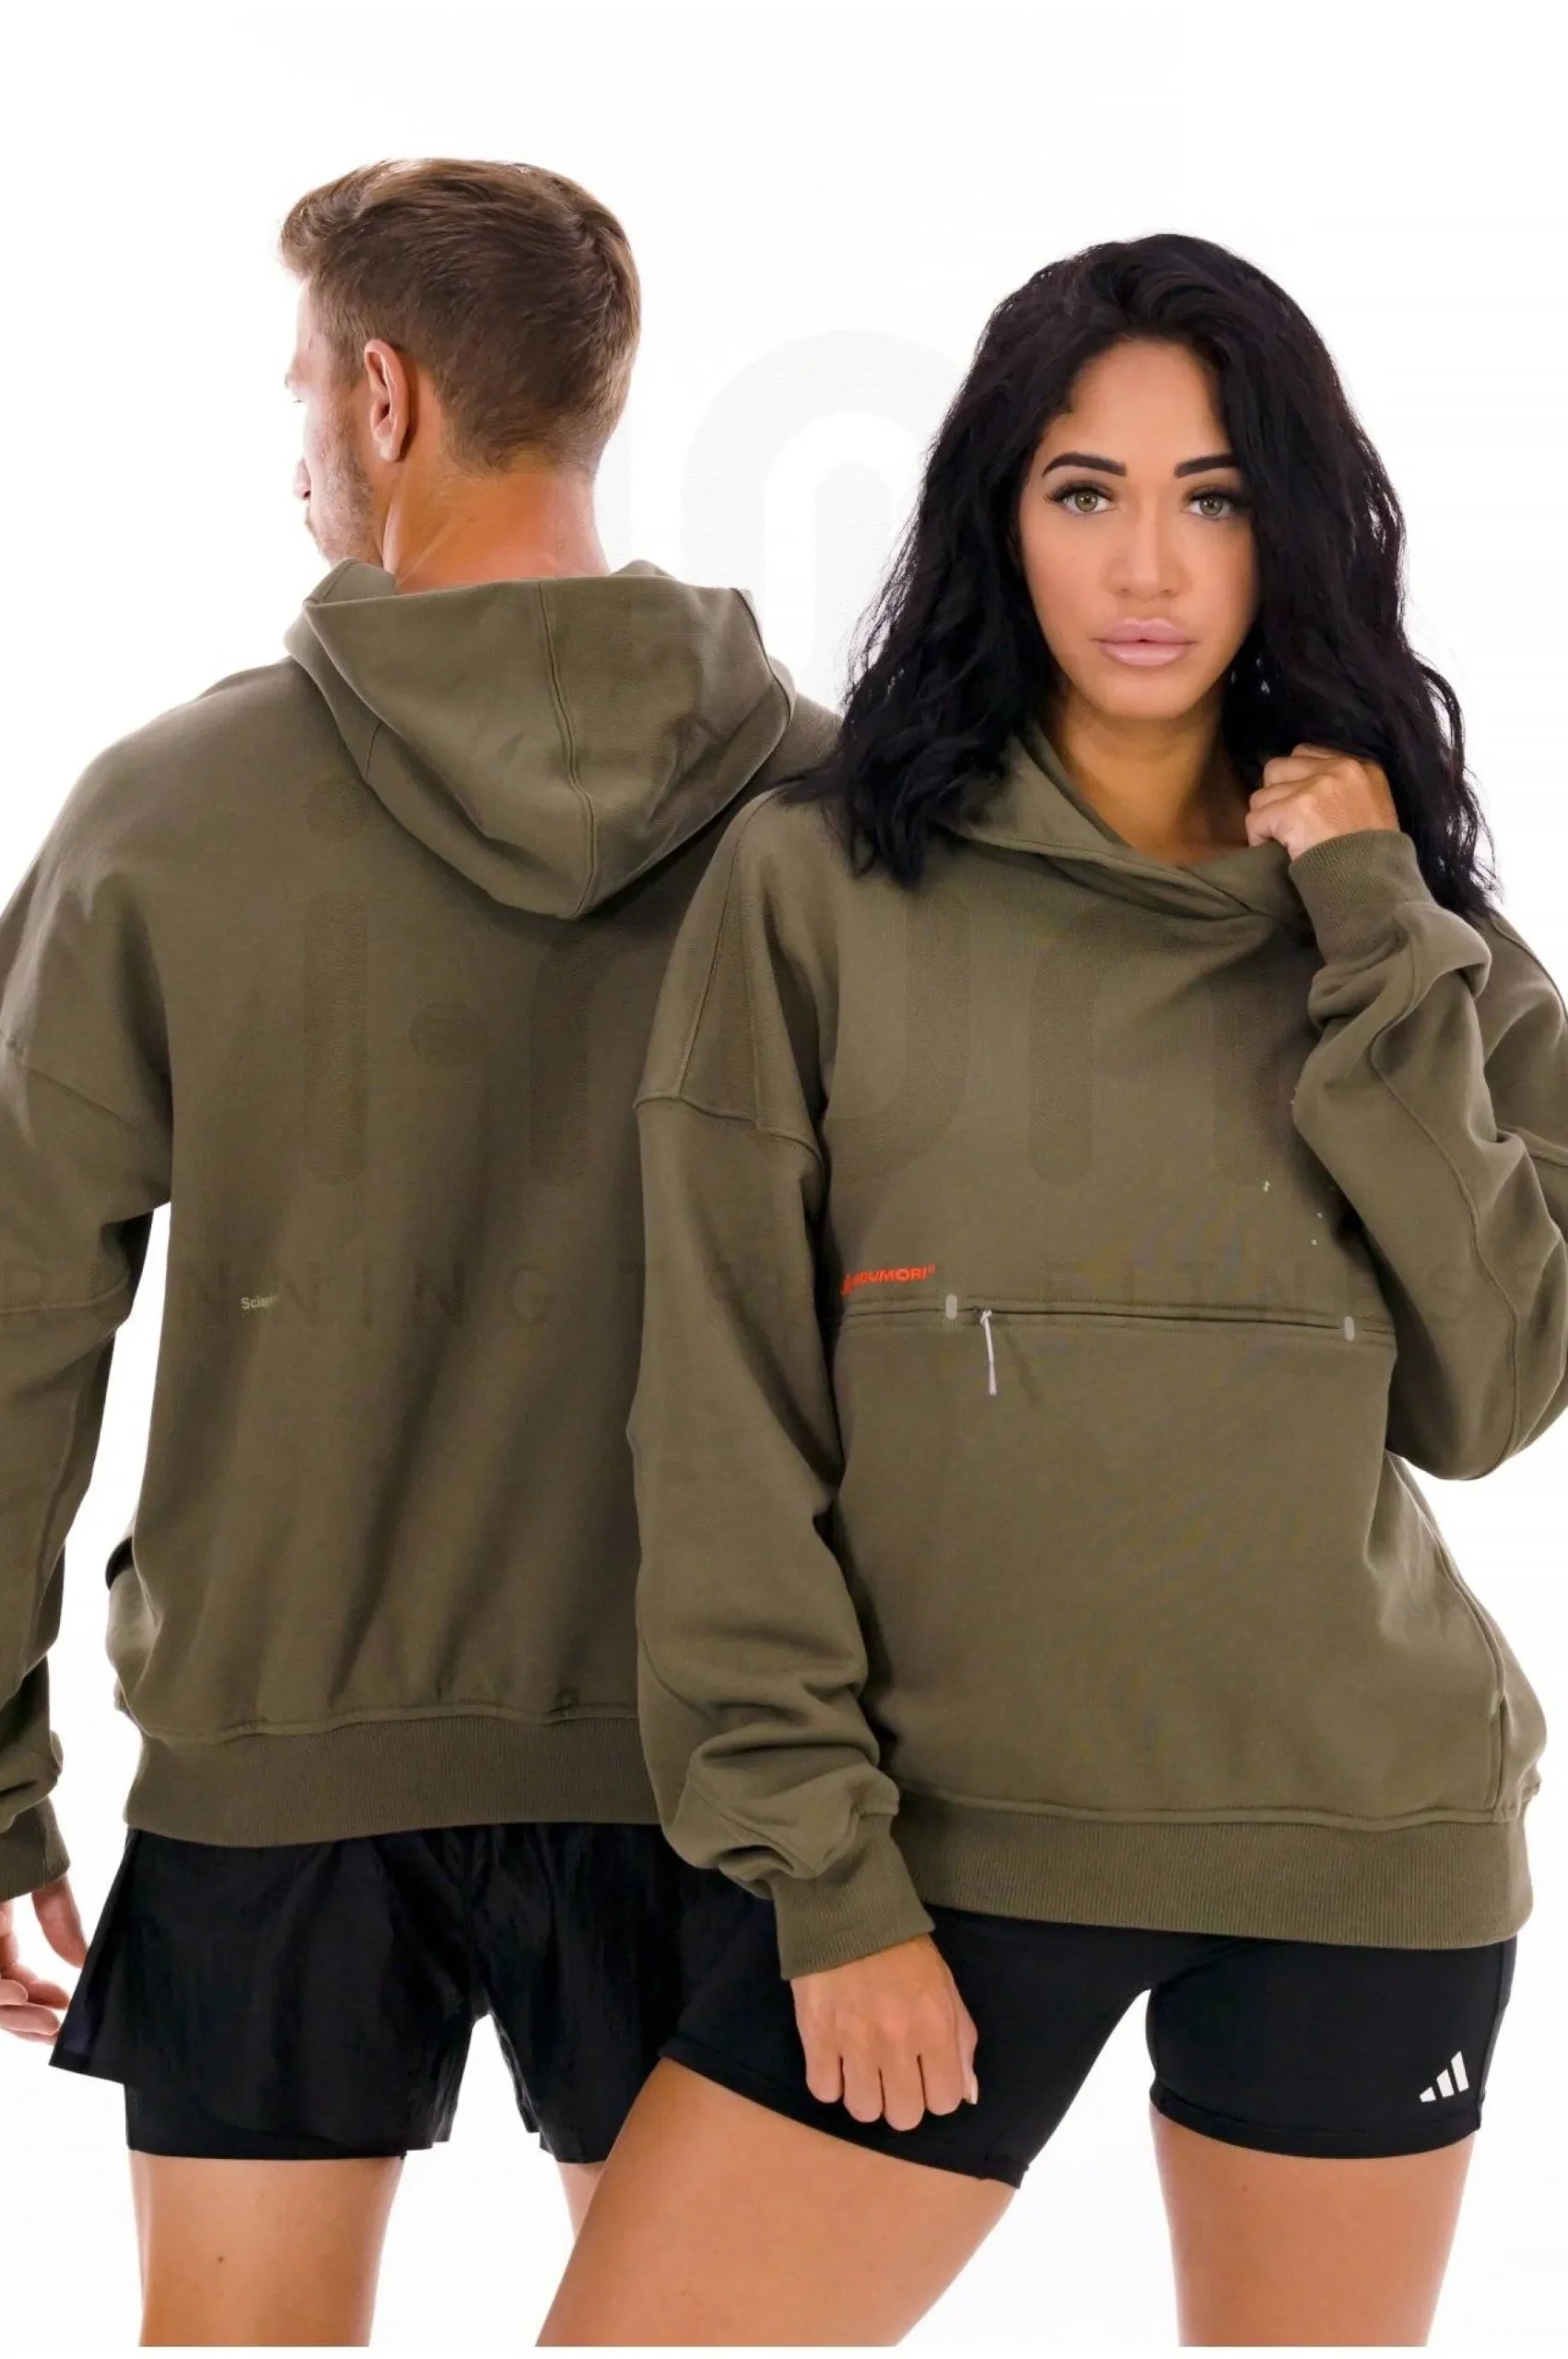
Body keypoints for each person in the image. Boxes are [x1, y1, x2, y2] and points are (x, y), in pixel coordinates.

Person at [537, 229, 1567, 2348]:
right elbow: (720, 1413)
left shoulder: (1414, 939)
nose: (1148, 564)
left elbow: (1484, 1396)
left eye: (1213, 496)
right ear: (995, 517)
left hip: (1358, 1849)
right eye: (1084, 489)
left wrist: (1374, 930)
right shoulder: (817, 884)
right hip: (935, 1856)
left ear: (1295, 529)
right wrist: (824, 1874)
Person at [0, 155, 830, 2345]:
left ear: (385, 396)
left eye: (300, 384)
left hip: (287, 1746)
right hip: (721, 1770)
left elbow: (14, 1328)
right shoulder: (838, 824)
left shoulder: (166, 814)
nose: (296, 437)